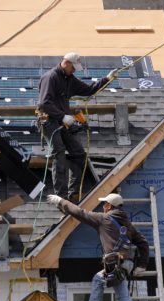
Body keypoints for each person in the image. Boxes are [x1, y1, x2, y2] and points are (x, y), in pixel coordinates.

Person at [38, 52, 119, 202]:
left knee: (79, 154)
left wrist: (107, 79)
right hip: (49, 121)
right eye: (73, 67)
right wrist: (62, 116)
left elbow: (88, 91)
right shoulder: (51, 77)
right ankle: (60, 197)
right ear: (66, 62)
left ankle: (73, 193)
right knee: (59, 153)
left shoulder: (69, 79)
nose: (74, 70)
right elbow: (44, 103)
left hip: (62, 122)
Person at [47, 193, 149, 301]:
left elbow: (80, 213)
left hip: (116, 265)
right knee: (104, 284)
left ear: (109, 206)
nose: (103, 206)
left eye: (105, 204)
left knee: (119, 296)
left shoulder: (103, 219)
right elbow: (143, 243)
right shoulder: (127, 224)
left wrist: (60, 201)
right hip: (127, 264)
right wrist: (142, 266)